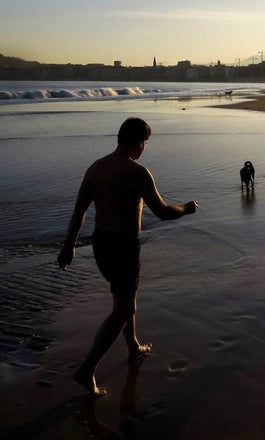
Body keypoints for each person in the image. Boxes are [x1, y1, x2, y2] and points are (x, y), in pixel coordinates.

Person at [57, 117, 198, 396]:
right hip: (123, 246)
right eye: (145, 143)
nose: (144, 148)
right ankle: (87, 369)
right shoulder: (138, 172)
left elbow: (79, 211)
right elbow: (162, 211)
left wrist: (69, 245)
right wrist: (187, 208)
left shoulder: (96, 168)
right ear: (138, 143)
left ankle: (133, 346)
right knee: (124, 308)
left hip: (101, 243)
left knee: (123, 298)